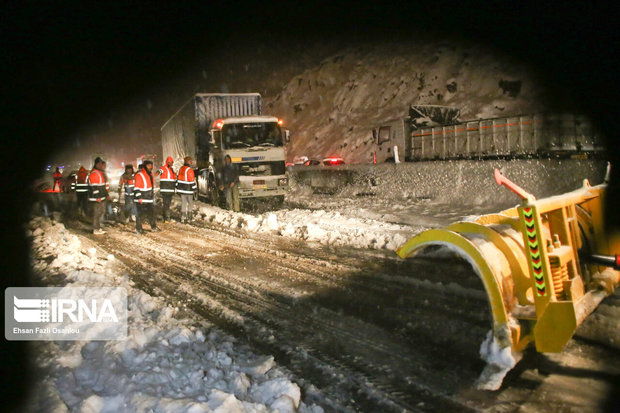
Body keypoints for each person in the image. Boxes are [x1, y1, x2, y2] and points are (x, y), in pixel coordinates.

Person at [134, 160, 160, 234]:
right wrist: (139, 198)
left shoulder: (150, 175)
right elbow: (136, 188)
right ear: (145, 166)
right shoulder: (139, 175)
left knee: (151, 214)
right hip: (141, 199)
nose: (150, 167)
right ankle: (138, 229)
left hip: (149, 198)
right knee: (140, 215)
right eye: (149, 165)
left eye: (151, 165)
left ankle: (153, 227)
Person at [87, 157, 109, 235]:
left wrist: (105, 195)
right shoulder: (94, 173)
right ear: (96, 164)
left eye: (101, 164)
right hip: (96, 198)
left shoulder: (98, 172)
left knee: (101, 212)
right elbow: (93, 186)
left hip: (101, 197)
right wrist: (97, 197)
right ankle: (95, 229)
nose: (101, 165)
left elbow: (102, 186)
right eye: (99, 164)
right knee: (97, 214)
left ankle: (98, 227)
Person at [176, 156, 197, 223]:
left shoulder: (181, 168)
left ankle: (183, 216)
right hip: (188, 189)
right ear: (187, 161)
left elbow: (178, 178)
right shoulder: (189, 170)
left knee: (184, 203)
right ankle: (190, 217)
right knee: (190, 203)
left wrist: (177, 187)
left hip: (181, 189)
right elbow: (191, 181)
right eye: (190, 161)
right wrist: (195, 189)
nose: (191, 162)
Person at [156, 156, 176, 222]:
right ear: (167, 162)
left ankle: (164, 217)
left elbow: (174, 179)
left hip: (170, 190)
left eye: (171, 162)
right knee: (166, 204)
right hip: (165, 190)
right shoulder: (163, 168)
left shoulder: (172, 170)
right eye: (169, 162)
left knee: (167, 204)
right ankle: (167, 218)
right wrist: (153, 176)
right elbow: (159, 171)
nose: (170, 163)